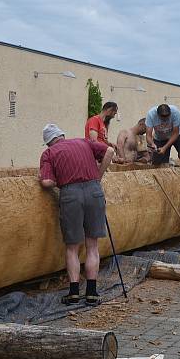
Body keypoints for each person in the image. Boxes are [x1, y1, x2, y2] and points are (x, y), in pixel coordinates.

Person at [39, 123, 115, 306]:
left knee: (72, 247)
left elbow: (47, 182)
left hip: (70, 195)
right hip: (94, 190)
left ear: (49, 142)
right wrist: (98, 176)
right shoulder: (84, 142)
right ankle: (91, 293)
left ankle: (73, 293)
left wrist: (54, 178)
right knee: (92, 246)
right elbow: (110, 151)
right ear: (63, 135)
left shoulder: (49, 154)